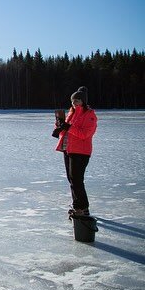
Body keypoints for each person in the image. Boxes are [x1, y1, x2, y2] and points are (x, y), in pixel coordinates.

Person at [53, 86, 97, 216]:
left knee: (76, 179)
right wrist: (59, 125)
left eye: (77, 101)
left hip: (81, 152)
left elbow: (85, 134)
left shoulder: (90, 115)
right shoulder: (71, 113)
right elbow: (66, 132)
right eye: (73, 101)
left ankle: (82, 208)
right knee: (72, 179)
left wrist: (68, 127)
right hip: (68, 149)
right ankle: (79, 206)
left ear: (83, 101)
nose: (74, 103)